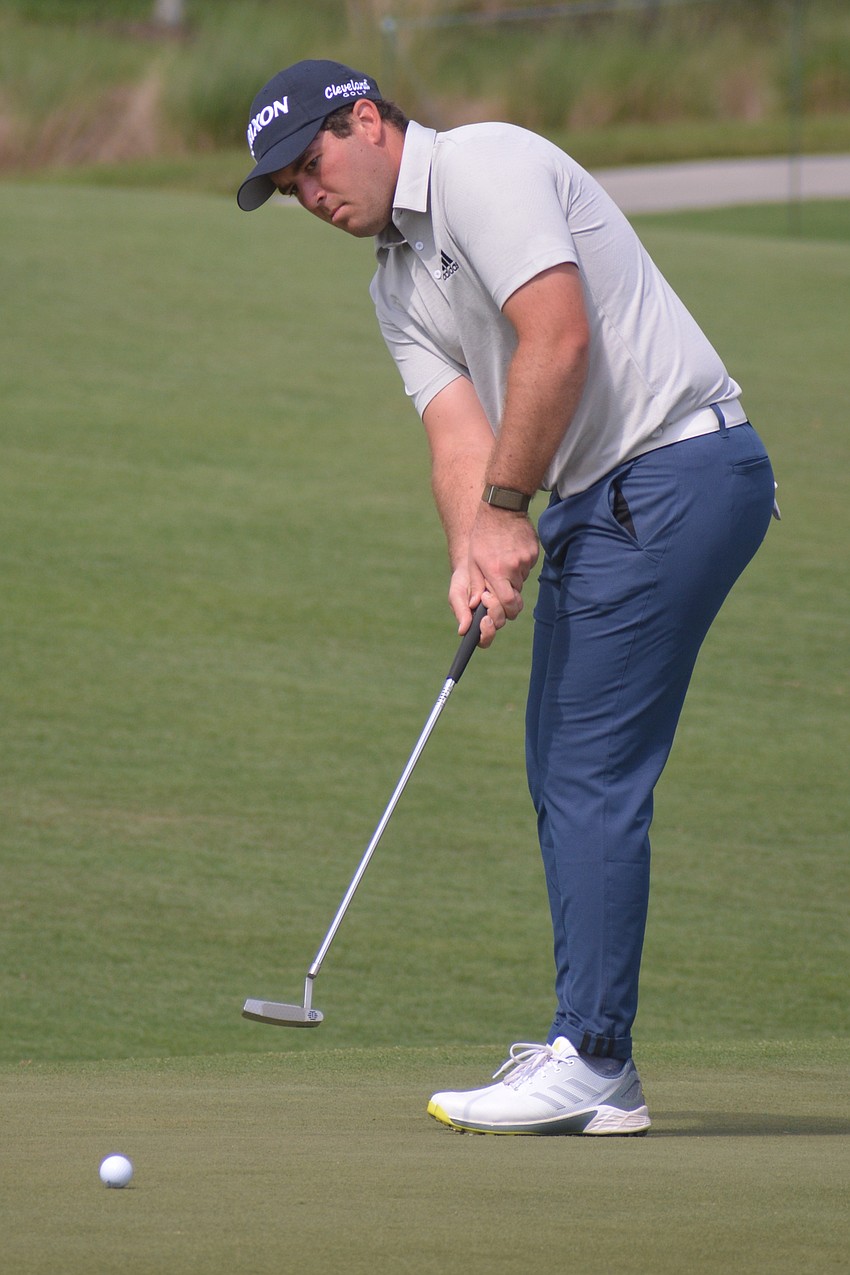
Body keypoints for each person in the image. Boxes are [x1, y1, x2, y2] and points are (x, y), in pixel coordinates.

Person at [237, 59, 777, 1136]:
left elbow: (559, 339)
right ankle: (592, 1049)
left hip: (671, 468)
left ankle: (594, 1058)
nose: (310, 195)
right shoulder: (395, 282)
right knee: (563, 761)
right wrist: (471, 550)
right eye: (289, 187)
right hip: (605, 495)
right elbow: (457, 435)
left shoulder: (485, 165)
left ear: (367, 120)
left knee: (585, 766)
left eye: (310, 165)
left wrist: (503, 509)